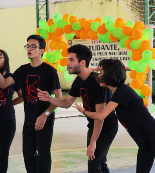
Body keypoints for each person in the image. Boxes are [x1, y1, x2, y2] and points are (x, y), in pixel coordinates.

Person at [73, 59, 155, 173]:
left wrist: (83, 111)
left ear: (110, 75)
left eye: (101, 73)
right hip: (145, 143)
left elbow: (100, 116)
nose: (99, 76)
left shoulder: (122, 92)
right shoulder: (118, 93)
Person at [38, 44, 118, 173]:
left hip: (106, 126)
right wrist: (49, 98)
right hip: (93, 125)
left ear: (82, 62)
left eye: (71, 60)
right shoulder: (79, 81)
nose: (67, 63)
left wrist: (93, 142)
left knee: (94, 165)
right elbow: (67, 102)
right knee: (100, 163)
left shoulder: (98, 83)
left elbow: (100, 117)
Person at [0, 35, 62, 173]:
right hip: (29, 119)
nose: (29, 49)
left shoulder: (50, 71)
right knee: (28, 154)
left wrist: (45, 114)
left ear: (42, 50)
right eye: (27, 46)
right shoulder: (23, 70)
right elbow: (3, 84)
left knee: (43, 154)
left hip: (44, 119)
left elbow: (59, 98)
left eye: (33, 46)